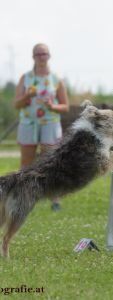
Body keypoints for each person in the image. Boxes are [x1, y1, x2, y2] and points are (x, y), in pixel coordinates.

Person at [14, 43, 69, 211]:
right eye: (38, 54)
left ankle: (55, 199)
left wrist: (53, 106)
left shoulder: (56, 80)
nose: (41, 57)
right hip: (29, 123)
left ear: (49, 56)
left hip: (50, 124)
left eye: (44, 53)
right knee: (26, 163)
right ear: (33, 57)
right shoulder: (26, 78)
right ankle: (22, 197)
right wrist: (27, 96)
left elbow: (65, 106)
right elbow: (17, 104)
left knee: (51, 162)